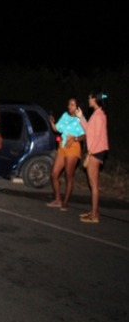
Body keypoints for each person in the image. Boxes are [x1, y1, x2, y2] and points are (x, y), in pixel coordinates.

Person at [47, 98, 85, 211]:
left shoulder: (80, 119)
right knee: (54, 174)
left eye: (73, 105)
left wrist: (75, 138)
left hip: (73, 148)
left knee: (68, 175)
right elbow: (56, 129)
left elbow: (85, 135)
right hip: (62, 146)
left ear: (78, 107)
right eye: (69, 104)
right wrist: (52, 122)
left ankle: (65, 202)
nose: (70, 106)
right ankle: (58, 199)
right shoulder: (65, 115)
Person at [76, 90, 109, 223]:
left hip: (96, 150)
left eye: (90, 98)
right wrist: (81, 117)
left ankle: (94, 216)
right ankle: (94, 211)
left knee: (94, 184)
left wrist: (89, 154)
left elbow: (95, 137)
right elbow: (89, 130)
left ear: (95, 99)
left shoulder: (100, 115)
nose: (89, 100)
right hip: (95, 150)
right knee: (92, 183)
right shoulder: (97, 113)